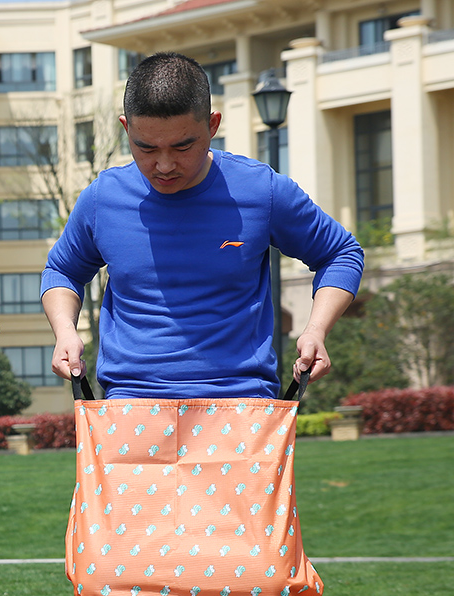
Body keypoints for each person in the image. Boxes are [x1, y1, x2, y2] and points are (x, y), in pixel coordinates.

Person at [41, 52, 363, 398]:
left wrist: (316, 331)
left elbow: (341, 254)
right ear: (126, 129)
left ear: (212, 125)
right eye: (145, 147)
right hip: (131, 404)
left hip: (241, 402)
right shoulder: (102, 198)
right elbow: (62, 270)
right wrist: (65, 332)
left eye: (182, 146)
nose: (164, 165)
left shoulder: (262, 191)